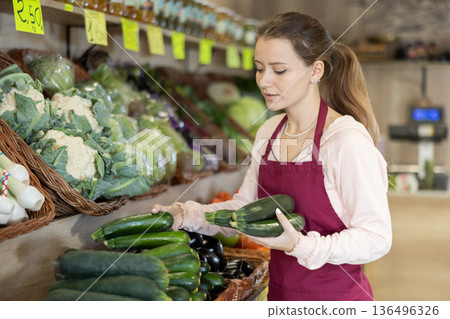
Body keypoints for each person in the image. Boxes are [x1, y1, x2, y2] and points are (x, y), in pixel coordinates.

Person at [152, 11, 392, 301]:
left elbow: (376, 237)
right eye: (259, 68)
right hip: (279, 297)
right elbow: (245, 207)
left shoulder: (344, 140)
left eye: (279, 70)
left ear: (315, 71)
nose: (264, 81)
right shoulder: (269, 131)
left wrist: (300, 246)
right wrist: (187, 215)